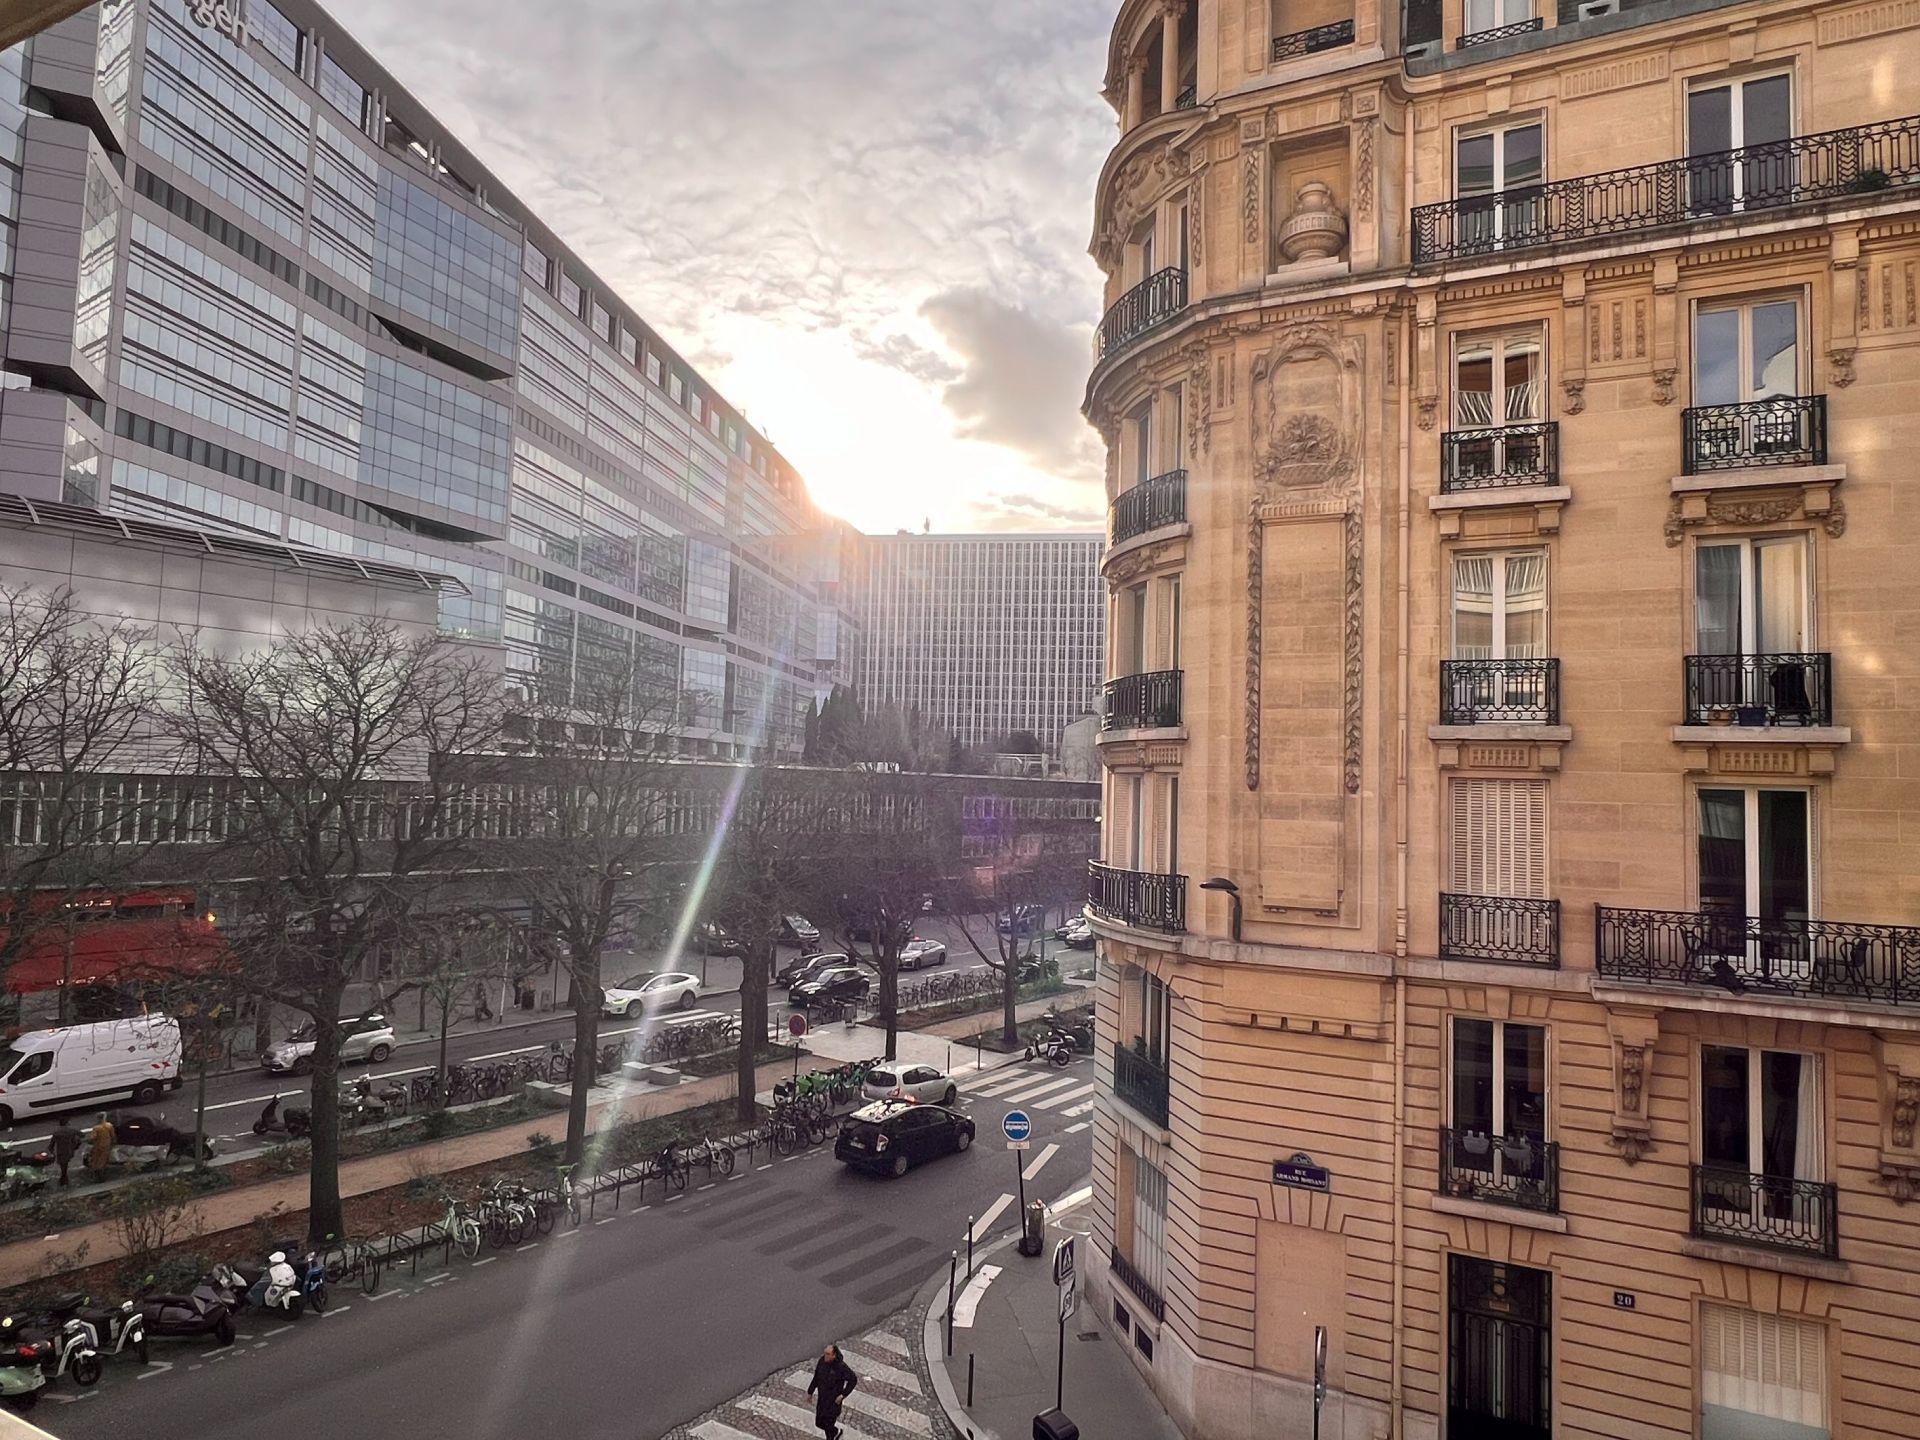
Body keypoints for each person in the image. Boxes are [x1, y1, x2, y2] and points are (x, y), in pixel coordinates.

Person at [807, 1343, 858, 1440]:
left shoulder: (841, 1367)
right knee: (819, 1422)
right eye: (825, 1353)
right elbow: (816, 1377)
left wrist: (843, 1394)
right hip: (822, 1400)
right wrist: (810, 1392)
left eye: (827, 1354)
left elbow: (853, 1379)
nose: (825, 1356)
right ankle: (836, 1431)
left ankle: (832, 1436)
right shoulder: (822, 1362)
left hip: (833, 1402)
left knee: (828, 1428)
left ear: (834, 1355)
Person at [49, 1118, 81, 1188]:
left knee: (63, 1166)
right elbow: (81, 1135)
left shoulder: (56, 1132)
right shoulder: (71, 1130)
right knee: (65, 1165)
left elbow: (51, 1144)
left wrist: (52, 1152)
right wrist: (76, 1144)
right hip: (69, 1151)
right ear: (66, 1123)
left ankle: (63, 1180)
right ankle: (64, 1180)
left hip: (60, 1152)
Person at [84, 1112, 114, 1180]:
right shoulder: (109, 1125)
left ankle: (97, 1174)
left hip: (98, 1145)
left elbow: (93, 1138)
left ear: (98, 1118)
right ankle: (102, 1173)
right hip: (107, 1145)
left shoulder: (96, 1128)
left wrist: (86, 1140)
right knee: (103, 1160)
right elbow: (113, 1136)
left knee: (96, 1159)